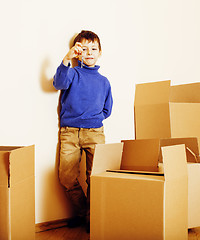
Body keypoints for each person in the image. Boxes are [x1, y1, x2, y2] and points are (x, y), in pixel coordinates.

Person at [53, 30, 113, 232]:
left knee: (95, 177)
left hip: (94, 132)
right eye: (84, 49)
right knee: (66, 177)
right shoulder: (72, 73)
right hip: (69, 133)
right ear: (77, 52)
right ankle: (85, 213)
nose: (89, 52)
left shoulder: (104, 81)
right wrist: (66, 60)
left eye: (93, 49)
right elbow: (58, 83)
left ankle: (94, 216)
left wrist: (95, 120)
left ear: (100, 52)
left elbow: (108, 108)